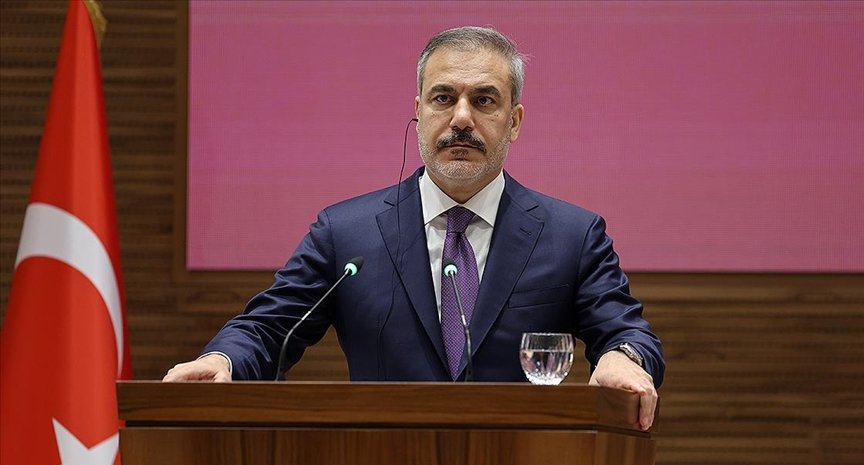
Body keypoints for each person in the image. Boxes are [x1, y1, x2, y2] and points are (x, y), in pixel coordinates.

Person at [164, 26, 665, 430]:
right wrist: (225, 360)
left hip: (524, 464)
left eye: (484, 101)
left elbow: (626, 332)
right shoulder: (347, 233)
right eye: (443, 98)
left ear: (514, 121)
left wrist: (623, 357)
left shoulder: (572, 236)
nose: (461, 119)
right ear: (419, 111)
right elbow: (270, 327)